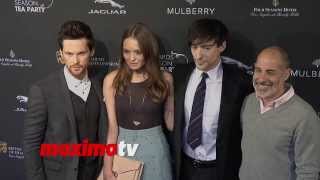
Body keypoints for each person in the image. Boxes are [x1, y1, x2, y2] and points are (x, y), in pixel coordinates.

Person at [23, 20, 107, 180]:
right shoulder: (42, 90)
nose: (75, 61)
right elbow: (31, 145)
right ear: (61, 53)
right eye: (69, 54)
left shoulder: (101, 84)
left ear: (92, 51)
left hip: (95, 174)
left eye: (81, 53)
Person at [173, 18, 252, 180]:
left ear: (222, 46)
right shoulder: (178, 75)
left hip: (220, 170)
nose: (198, 55)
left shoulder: (239, 82)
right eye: (194, 47)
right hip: (184, 168)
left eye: (206, 48)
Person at [102, 23, 174, 180]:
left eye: (138, 52)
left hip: (156, 151)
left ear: (148, 52)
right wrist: (107, 167)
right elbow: (112, 129)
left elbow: (171, 120)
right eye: (126, 51)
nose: (131, 58)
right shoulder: (111, 80)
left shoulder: (165, 79)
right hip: (124, 151)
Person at [240, 46, 320, 180]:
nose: (261, 78)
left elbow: (308, 171)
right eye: (258, 70)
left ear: (286, 74)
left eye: (270, 72)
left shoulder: (304, 115)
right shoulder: (249, 102)